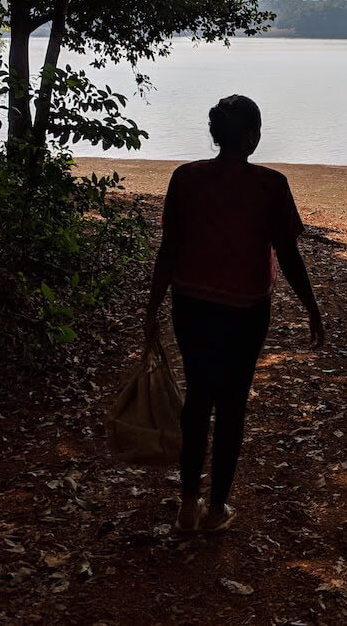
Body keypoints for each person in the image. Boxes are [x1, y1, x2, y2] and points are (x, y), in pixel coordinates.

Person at [143, 94, 324, 534]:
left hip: (191, 305)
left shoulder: (185, 178)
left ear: (215, 134)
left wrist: (151, 308)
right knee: (231, 405)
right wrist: (312, 308)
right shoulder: (270, 185)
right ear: (252, 137)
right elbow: (288, 253)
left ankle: (187, 504)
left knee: (198, 398)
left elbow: (169, 249)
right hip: (246, 312)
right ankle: (215, 509)